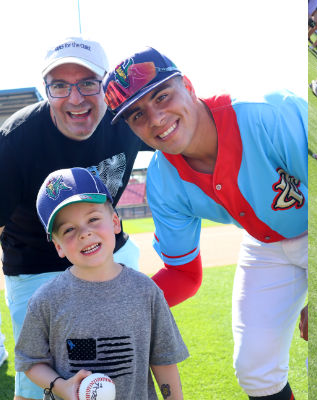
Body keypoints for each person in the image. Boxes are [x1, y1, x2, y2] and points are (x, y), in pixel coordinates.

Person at [102, 47, 307, 400]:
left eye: (162, 96)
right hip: (265, 244)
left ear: (189, 86)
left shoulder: (273, 112)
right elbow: (184, 274)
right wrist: (121, 310)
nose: (155, 118)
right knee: (255, 371)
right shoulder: (163, 179)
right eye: (137, 115)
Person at [0, 37, 148, 400]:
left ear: (106, 85)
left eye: (87, 83)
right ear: (47, 90)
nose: (76, 97)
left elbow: (183, 135)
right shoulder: (16, 139)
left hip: (109, 255)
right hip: (36, 267)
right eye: (60, 86)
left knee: (120, 370)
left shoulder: (127, 119)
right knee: (38, 383)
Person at [14, 168, 188, 400]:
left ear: (115, 222)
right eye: (69, 229)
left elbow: (163, 360)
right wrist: (60, 386)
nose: (85, 233)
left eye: (93, 219)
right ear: (58, 247)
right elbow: (31, 360)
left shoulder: (146, 291)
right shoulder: (46, 299)